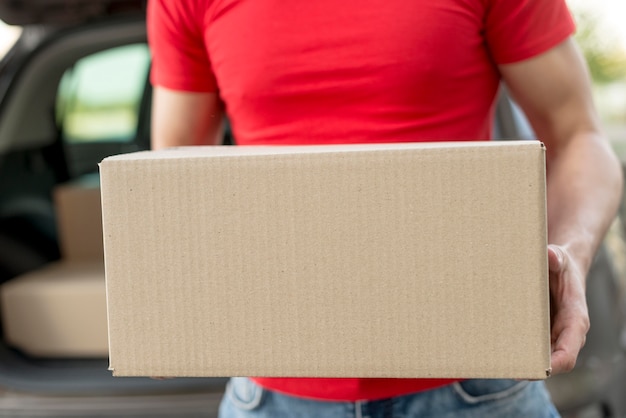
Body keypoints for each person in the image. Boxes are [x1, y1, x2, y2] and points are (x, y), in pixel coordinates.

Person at [146, 0, 623, 416]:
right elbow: (174, 176)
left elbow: (578, 136)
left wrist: (570, 257)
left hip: (473, 383)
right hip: (270, 392)